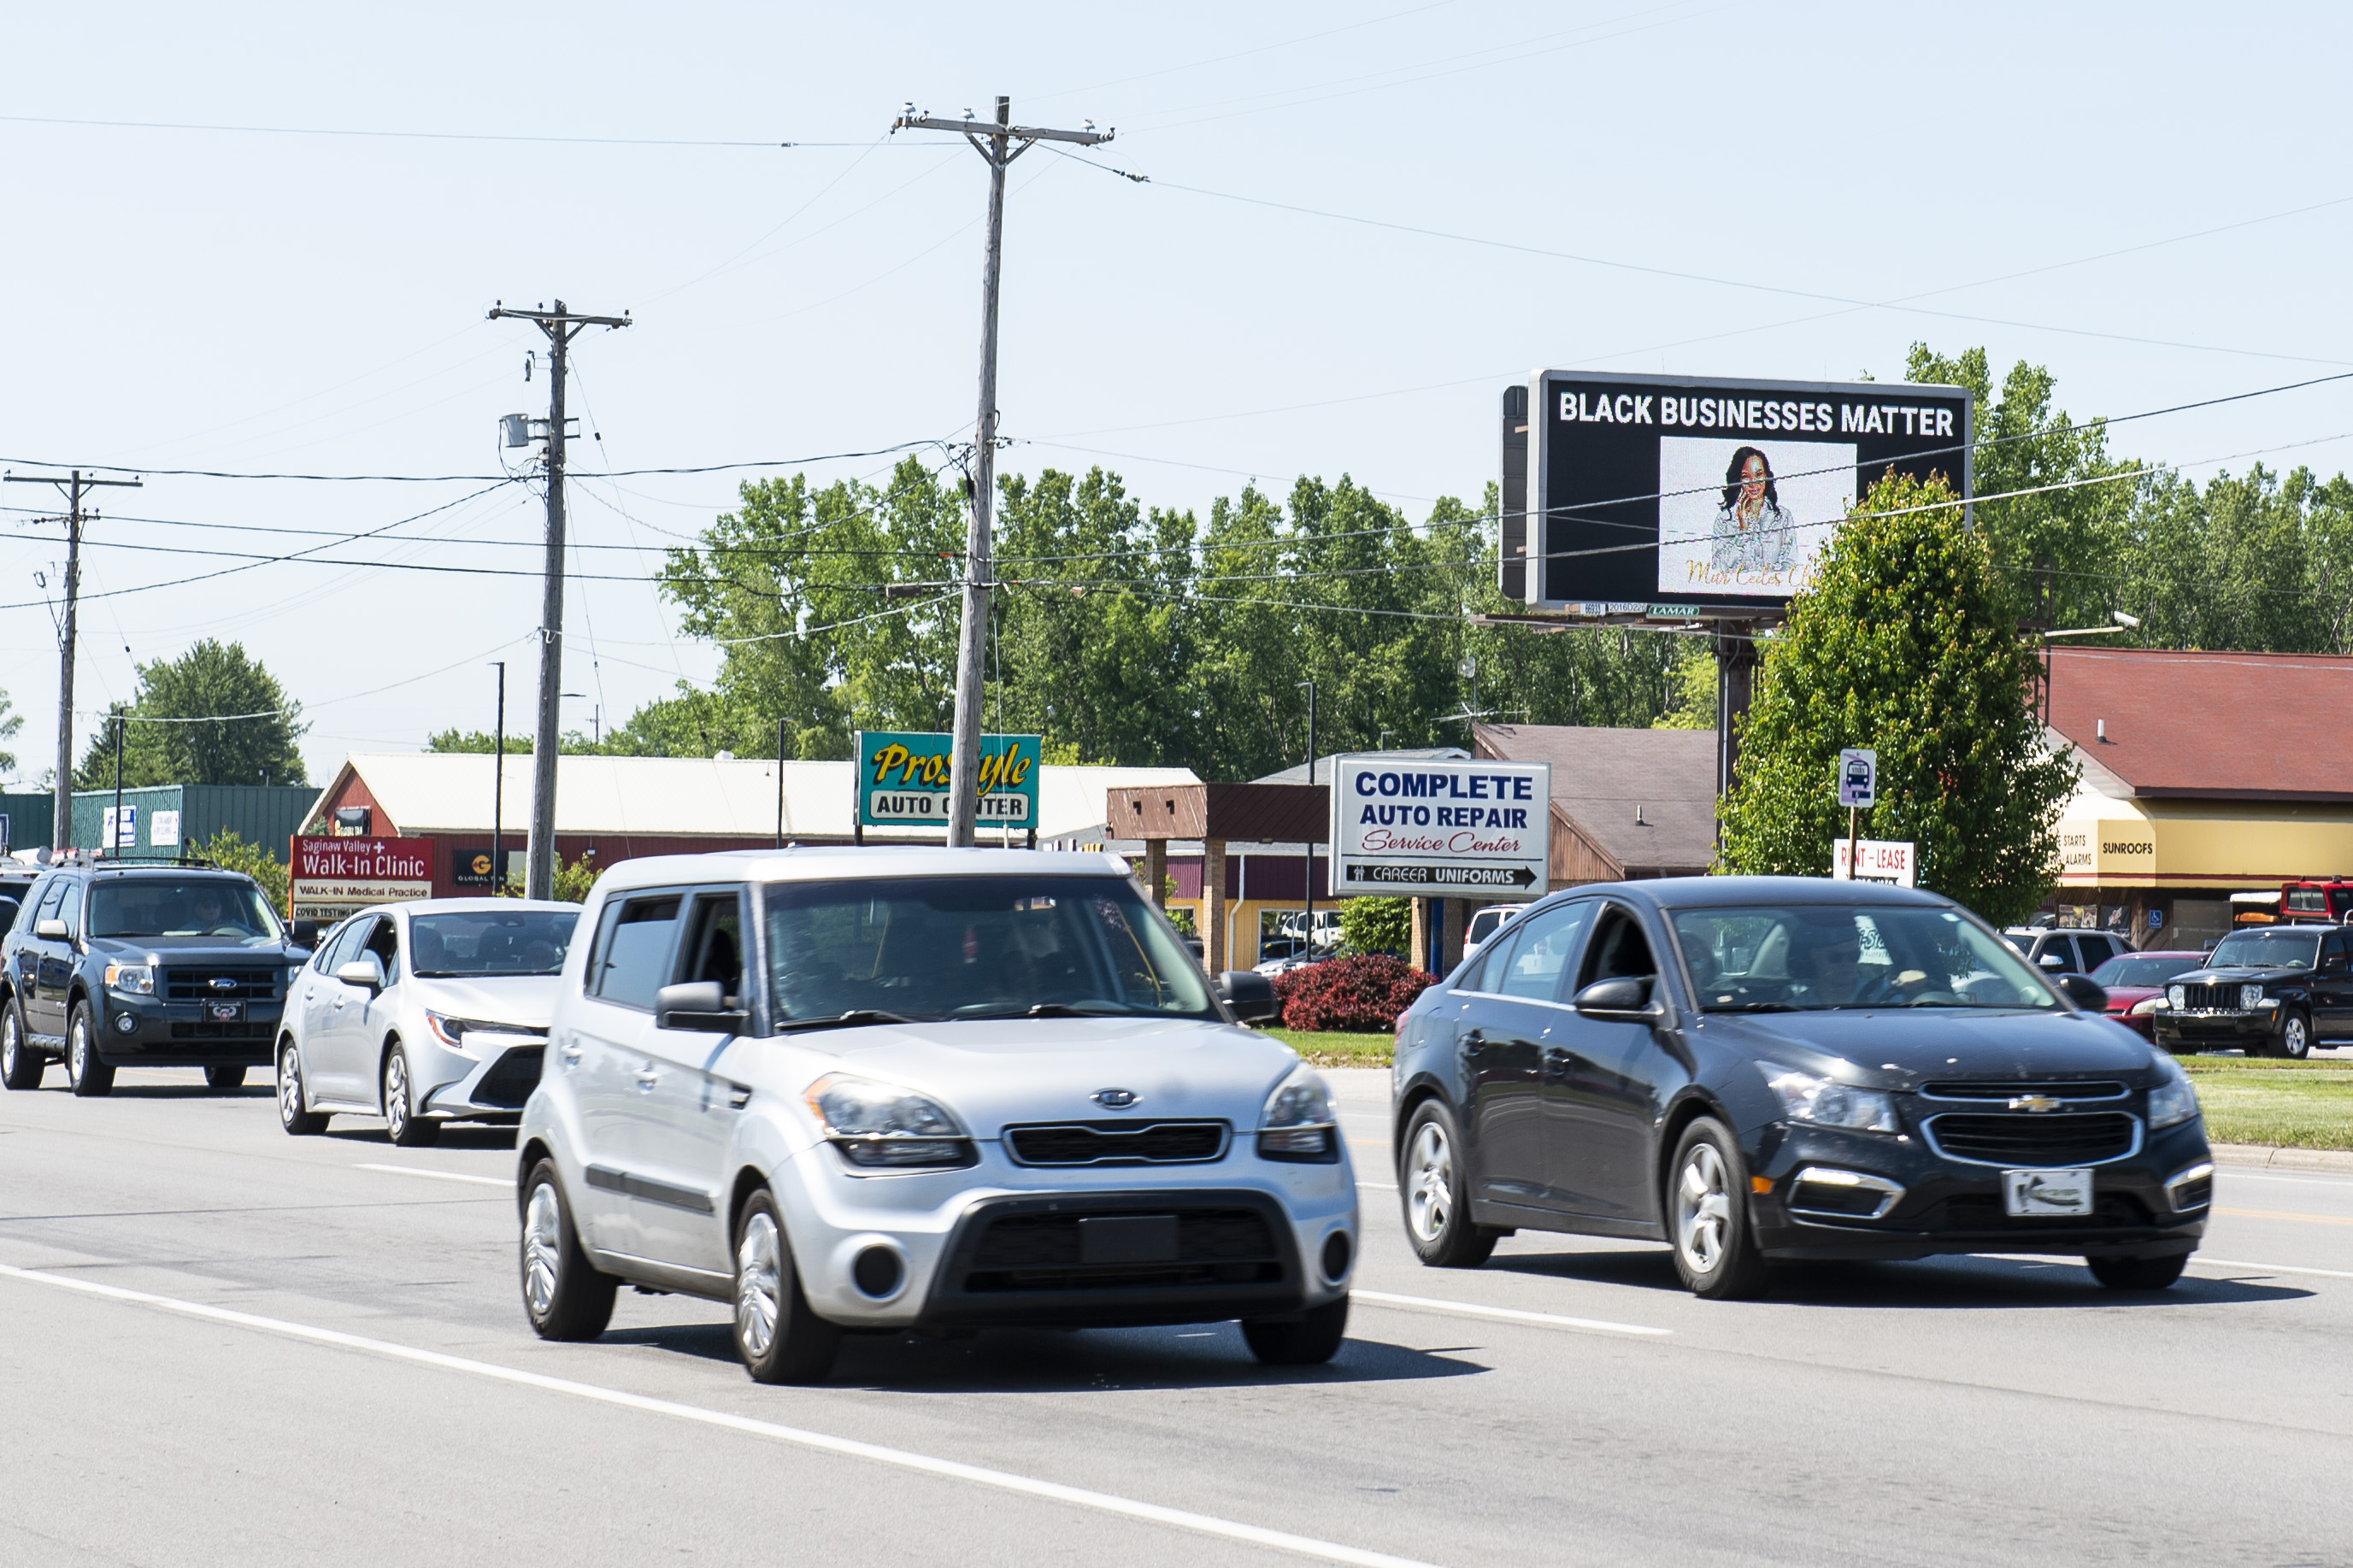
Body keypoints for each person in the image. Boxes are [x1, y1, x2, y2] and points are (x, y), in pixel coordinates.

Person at [1709, 446, 1798, 577]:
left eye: (1758, 475)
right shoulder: (1724, 520)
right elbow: (1718, 568)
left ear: (1766, 476)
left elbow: (1790, 564)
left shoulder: (1782, 517)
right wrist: (1743, 531)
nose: (1753, 483)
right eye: (1746, 476)